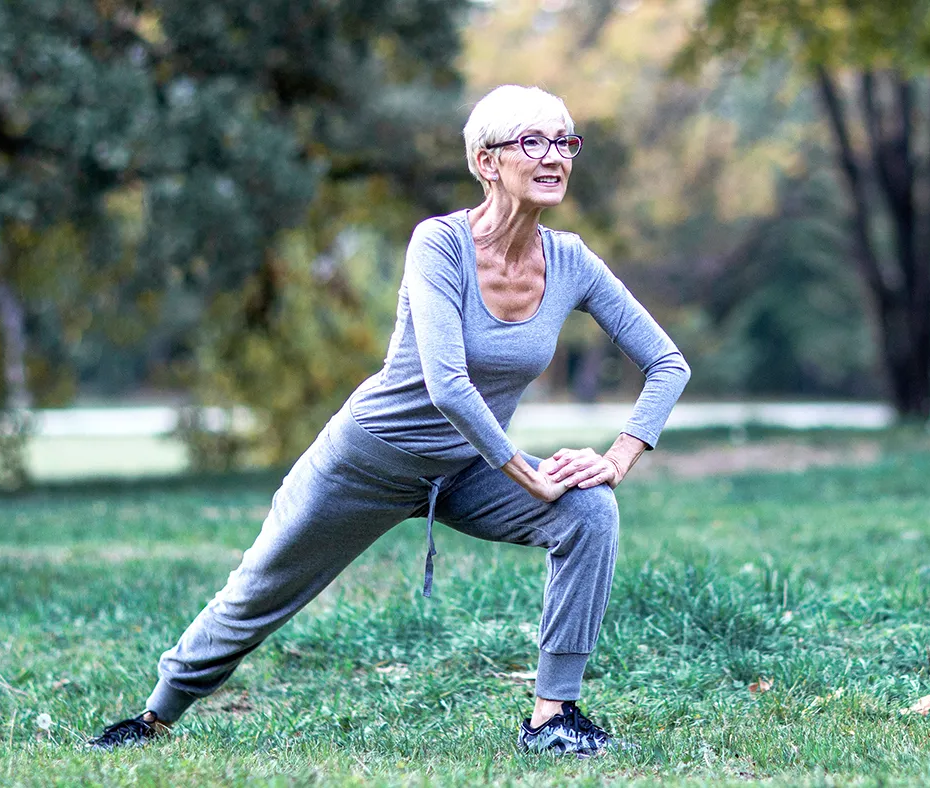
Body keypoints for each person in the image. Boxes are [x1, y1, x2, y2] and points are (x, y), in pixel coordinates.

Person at [87, 84, 690, 757]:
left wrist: (616, 459)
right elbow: (447, 385)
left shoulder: (571, 261)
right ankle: (153, 718)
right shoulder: (440, 244)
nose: (555, 156)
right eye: (533, 141)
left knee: (589, 511)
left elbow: (667, 363)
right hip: (368, 460)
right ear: (486, 162)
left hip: (466, 469)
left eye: (564, 141)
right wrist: (529, 473)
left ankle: (553, 717)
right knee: (256, 594)